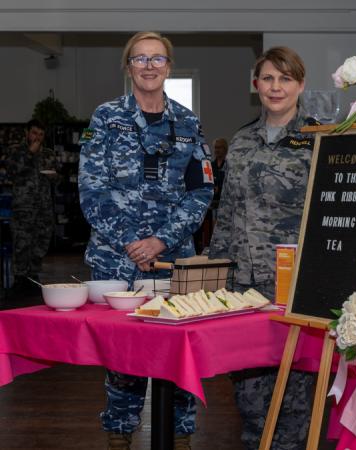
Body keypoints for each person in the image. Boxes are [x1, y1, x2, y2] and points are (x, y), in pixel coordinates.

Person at [78, 31, 213, 450]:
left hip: (174, 261)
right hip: (116, 261)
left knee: (179, 349)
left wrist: (161, 240)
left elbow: (202, 190)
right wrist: (135, 241)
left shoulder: (188, 123)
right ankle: (119, 433)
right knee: (123, 355)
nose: (150, 66)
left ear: (169, 67)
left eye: (158, 59)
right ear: (129, 66)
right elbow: (91, 190)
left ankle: (182, 436)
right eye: (140, 59)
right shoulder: (106, 118)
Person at [207, 46, 319, 450]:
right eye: (268, 78)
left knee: (294, 390)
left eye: (285, 79)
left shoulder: (318, 140)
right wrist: (216, 272)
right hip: (244, 287)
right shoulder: (240, 142)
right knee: (249, 390)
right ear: (256, 85)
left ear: (300, 85)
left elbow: (328, 215)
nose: (276, 87)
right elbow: (227, 212)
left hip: (295, 286)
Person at [5, 119, 57, 292]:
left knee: (40, 242)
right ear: (27, 132)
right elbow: (12, 171)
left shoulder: (48, 153)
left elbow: (59, 177)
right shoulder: (15, 151)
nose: (37, 137)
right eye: (34, 133)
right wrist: (29, 153)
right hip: (23, 207)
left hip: (44, 207)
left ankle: (33, 275)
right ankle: (20, 278)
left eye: (41, 135)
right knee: (22, 242)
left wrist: (54, 177)